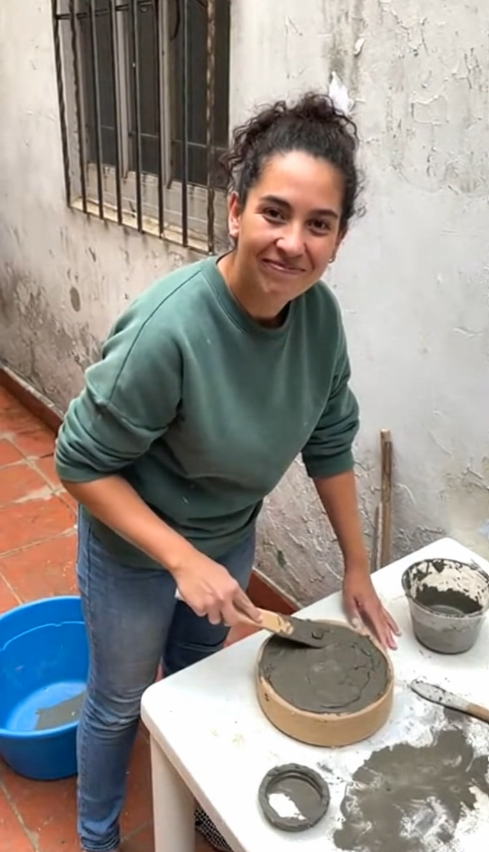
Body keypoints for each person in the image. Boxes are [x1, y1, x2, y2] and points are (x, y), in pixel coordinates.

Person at [55, 90, 400, 852]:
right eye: (274, 213)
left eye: (318, 224)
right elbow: (77, 461)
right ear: (236, 211)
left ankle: (192, 803)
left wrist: (355, 565)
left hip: (226, 539)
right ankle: (97, 837)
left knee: (192, 677)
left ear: (338, 240)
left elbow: (330, 439)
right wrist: (180, 560)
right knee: (118, 701)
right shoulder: (168, 329)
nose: (292, 243)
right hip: (134, 553)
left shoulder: (319, 321)